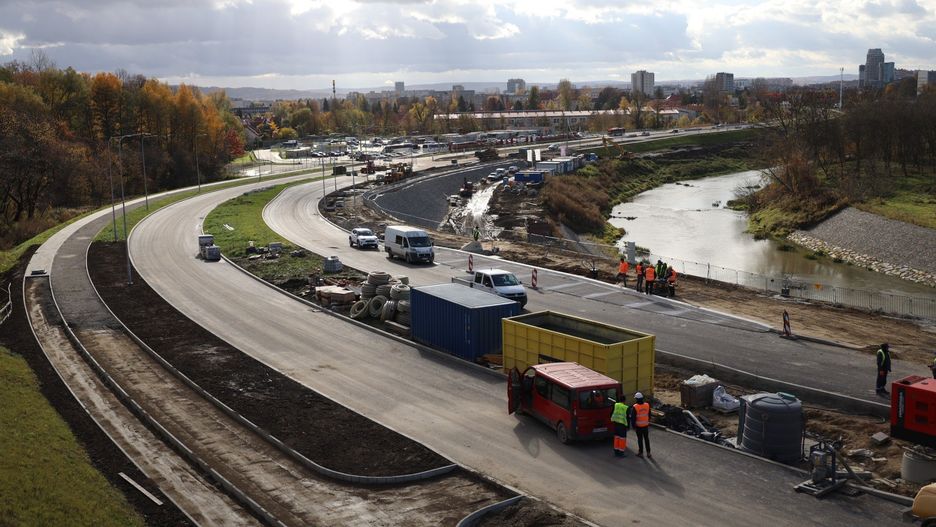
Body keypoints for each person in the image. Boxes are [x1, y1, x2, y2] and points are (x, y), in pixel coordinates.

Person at [630, 392, 652, 458]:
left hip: (639, 427)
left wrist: (633, 426)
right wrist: (647, 421)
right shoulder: (647, 405)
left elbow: (633, 418)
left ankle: (641, 453)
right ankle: (648, 453)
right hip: (645, 426)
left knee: (640, 440)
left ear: (636, 399)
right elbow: (649, 415)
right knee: (646, 439)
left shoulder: (635, 407)